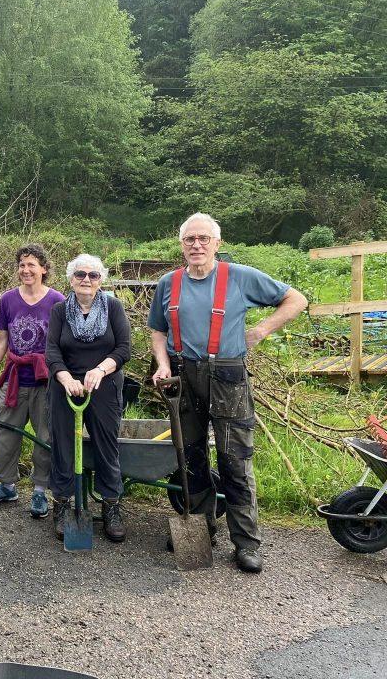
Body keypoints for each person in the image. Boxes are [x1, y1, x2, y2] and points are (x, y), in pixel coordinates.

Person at [149, 213, 307, 573]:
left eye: (204, 239)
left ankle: (247, 543)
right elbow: (158, 331)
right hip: (182, 375)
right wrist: (161, 363)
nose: (197, 245)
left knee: (235, 459)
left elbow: (296, 299)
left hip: (228, 375)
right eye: (190, 239)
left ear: (217, 244)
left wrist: (262, 330)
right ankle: (201, 526)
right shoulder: (168, 283)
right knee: (189, 455)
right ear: (181, 245)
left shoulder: (240, 277)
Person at [46, 255, 131, 543]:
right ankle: (63, 504)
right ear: (71, 279)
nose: (86, 279)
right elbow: (52, 351)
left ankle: (111, 505)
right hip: (65, 387)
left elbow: (123, 349)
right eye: (80, 274)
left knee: (107, 446)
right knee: (63, 446)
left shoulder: (114, 307)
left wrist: (100, 369)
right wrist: (66, 377)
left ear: (101, 280)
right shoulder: (59, 310)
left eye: (93, 275)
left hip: (104, 385)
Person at [0, 243, 65, 517]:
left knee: (45, 436)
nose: (26, 270)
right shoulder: (7, 300)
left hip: (45, 381)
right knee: (6, 431)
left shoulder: (57, 301)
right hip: (14, 378)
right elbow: (2, 339)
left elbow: (63, 344)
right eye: (22, 265)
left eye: (32, 265)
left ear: (44, 269)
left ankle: (40, 491)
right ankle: (6, 484)